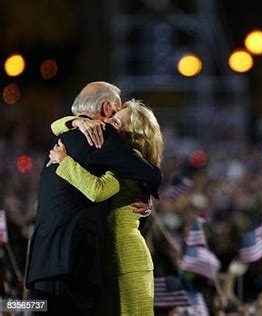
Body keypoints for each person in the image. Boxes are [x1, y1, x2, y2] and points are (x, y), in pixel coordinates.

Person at [25, 82, 163, 315]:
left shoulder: (65, 141)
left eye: (117, 121)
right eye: (114, 114)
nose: (110, 123)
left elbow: (102, 189)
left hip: (44, 264)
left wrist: (70, 136)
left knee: (33, 308)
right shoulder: (100, 139)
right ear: (107, 107)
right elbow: (149, 174)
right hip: (73, 266)